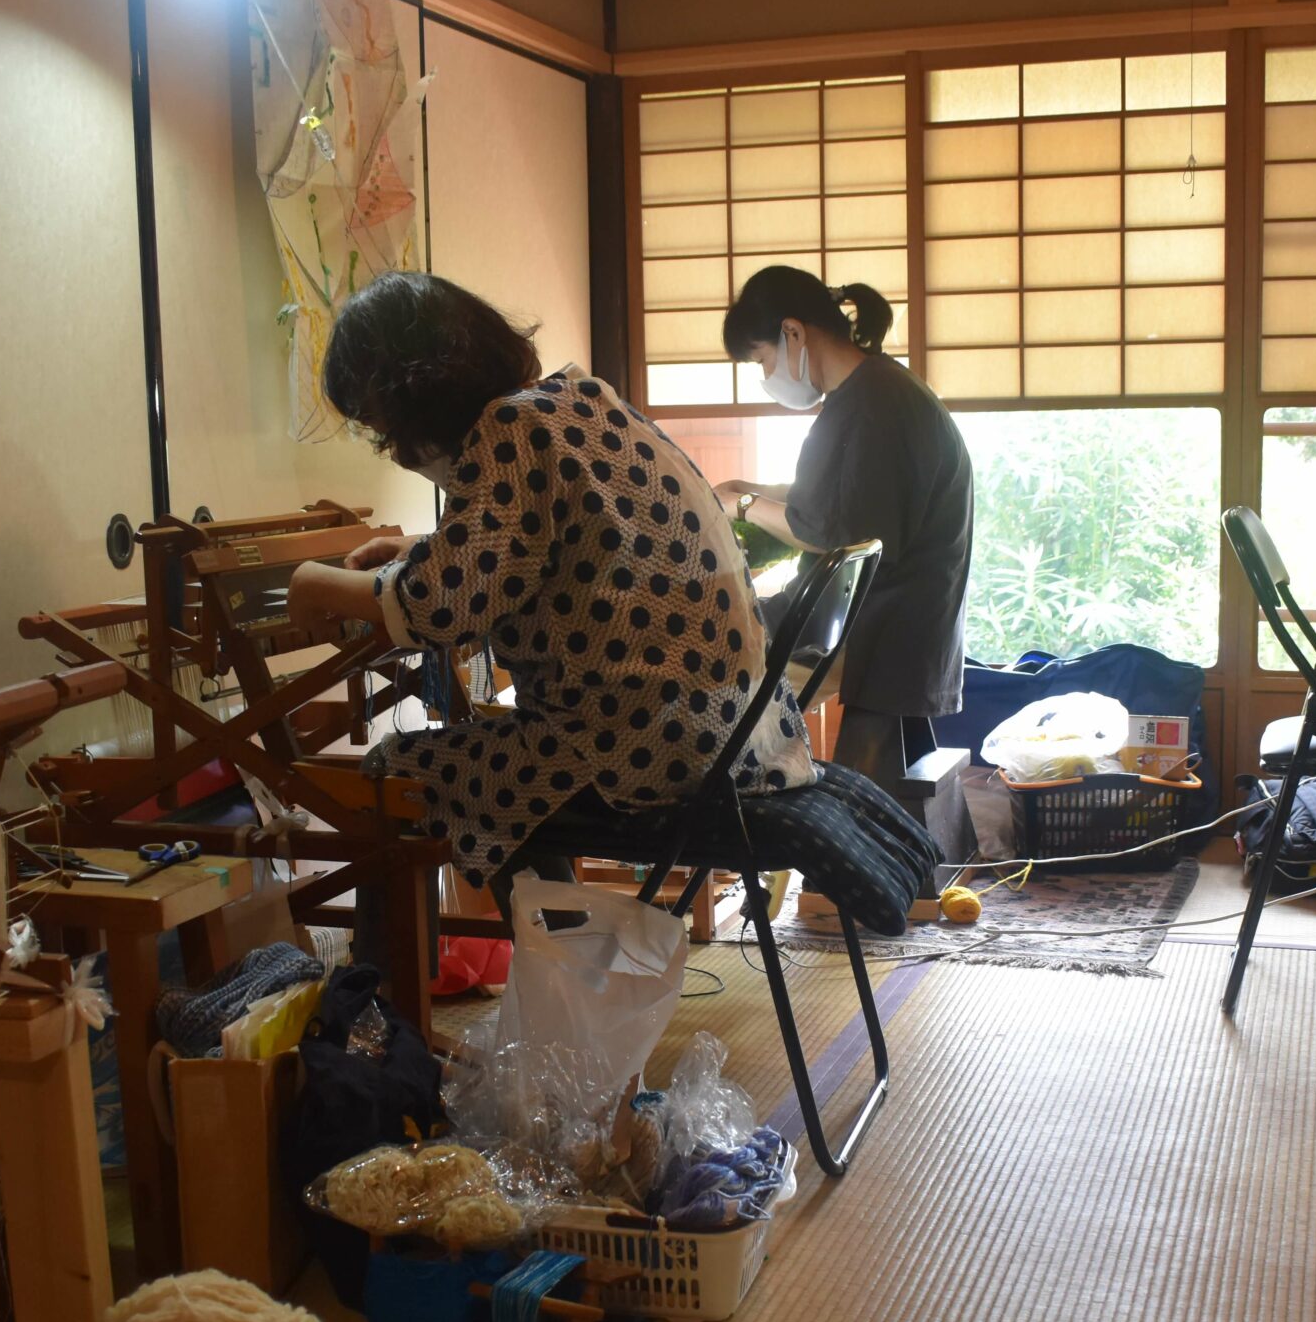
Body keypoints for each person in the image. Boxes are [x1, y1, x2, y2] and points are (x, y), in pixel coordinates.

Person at [281, 271, 817, 889]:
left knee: (390, 776)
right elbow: (559, 540)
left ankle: (436, 971)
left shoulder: (509, 433)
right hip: (743, 733)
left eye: (382, 426)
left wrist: (312, 582)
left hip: (645, 751)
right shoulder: (579, 399)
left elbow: (436, 608)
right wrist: (421, 546)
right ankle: (560, 940)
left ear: (413, 393)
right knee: (492, 765)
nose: (393, 450)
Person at [711, 265, 974, 797]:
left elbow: (834, 529)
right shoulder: (873, 390)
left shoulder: (871, 405)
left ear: (793, 332)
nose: (766, 374)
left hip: (889, 619)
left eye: (762, 359)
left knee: (720, 672)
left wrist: (741, 504)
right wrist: (755, 489)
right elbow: (837, 495)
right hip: (901, 612)